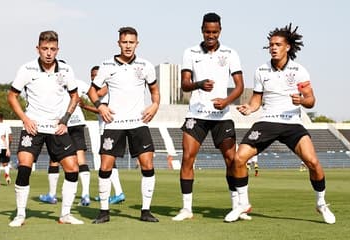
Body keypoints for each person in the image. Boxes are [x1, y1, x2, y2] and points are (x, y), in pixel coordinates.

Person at [224, 23, 336, 224]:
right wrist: (250, 108)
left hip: (292, 123)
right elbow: (257, 99)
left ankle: (321, 204)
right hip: (267, 121)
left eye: (277, 44)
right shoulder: (260, 70)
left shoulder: (299, 71)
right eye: (270, 45)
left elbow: (311, 101)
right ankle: (242, 203)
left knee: (313, 162)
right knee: (239, 158)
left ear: (288, 47)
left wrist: (301, 100)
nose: (273, 48)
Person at [172, 12, 246, 221]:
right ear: (202, 30)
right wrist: (198, 84)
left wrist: (226, 101)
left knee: (231, 160)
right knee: (187, 158)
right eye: (207, 31)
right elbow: (185, 84)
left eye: (214, 32)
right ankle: (186, 208)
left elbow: (240, 86)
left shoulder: (231, 53)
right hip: (197, 114)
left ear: (220, 31)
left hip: (222, 115)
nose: (210, 35)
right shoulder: (190, 52)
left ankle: (236, 207)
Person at [7, 30, 84, 227]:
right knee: (24, 166)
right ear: (38, 49)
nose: (48, 53)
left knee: (73, 168)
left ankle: (65, 214)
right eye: (44, 49)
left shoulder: (66, 70)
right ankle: (21, 214)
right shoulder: (27, 69)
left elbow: (75, 96)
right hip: (33, 127)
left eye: (52, 49)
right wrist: (25, 119)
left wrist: (65, 119)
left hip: (56, 128)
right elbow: (11, 96)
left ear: (57, 49)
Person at [88, 26, 160, 223]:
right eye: (124, 42)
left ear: (137, 43)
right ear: (119, 43)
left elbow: (154, 90)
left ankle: (145, 210)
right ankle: (104, 211)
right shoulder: (106, 65)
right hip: (114, 124)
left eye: (131, 42)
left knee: (147, 165)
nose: (128, 46)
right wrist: (100, 107)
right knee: (105, 166)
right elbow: (92, 91)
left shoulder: (146, 65)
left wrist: (155, 105)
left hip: (139, 123)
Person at [39, 76, 92, 207]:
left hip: (61, 123)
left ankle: (52, 195)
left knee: (54, 158)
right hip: (78, 121)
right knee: (81, 158)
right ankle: (85, 195)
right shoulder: (78, 82)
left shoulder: (51, 83)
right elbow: (94, 92)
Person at [86, 66, 125, 204]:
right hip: (104, 128)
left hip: (109, 129)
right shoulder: (99, 91)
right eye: (92, 75)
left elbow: (103, 109)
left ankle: (118, 192)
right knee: (109, 163)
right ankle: (114, 193)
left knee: (107, 163)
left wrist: (84, 106)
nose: (93, 77)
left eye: (95, 75)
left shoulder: (107, 88)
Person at [0, 113, 13, 184]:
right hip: (5, 147)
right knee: (5, 163)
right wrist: (8, 147)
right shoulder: (7, 126)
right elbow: (10, 138)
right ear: (2, 119)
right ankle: (7, 175)